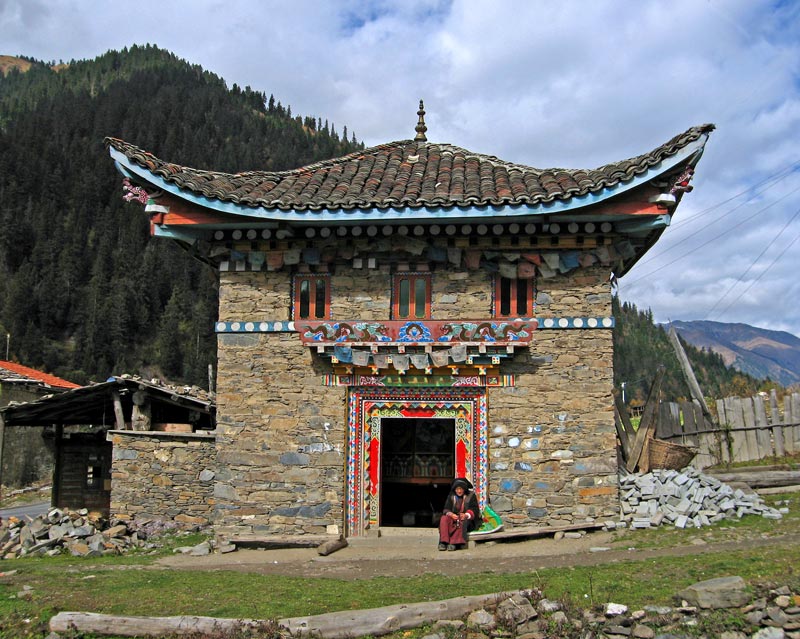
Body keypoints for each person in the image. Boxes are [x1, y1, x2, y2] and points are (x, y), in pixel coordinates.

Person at [438, 477, 480, 551]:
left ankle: (454, 543)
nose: (459, 491)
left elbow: (475, 509)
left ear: (464, 489)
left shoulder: (471, 495)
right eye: (457, 489)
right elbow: (446, 508)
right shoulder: (451, 495)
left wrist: (466, 515)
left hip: (467, 520)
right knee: (444, 518)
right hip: (453, 517)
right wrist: (451, 514)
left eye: (461, 489)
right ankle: (443, 542)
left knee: (461, 519)